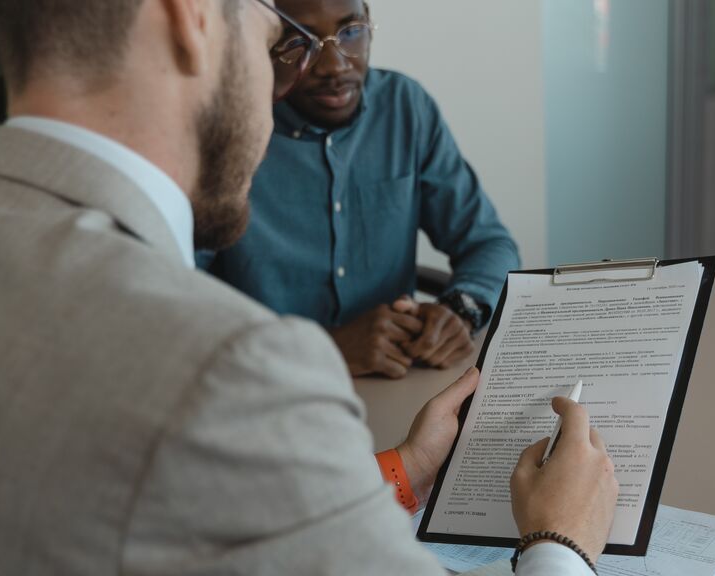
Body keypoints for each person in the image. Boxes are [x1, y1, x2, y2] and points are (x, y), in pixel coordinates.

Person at [0, 0, 617, 574]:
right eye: (278, 37)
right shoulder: (228, 373)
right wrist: (560, 542)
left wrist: (402, 472)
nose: (297, 73)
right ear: (191, 19)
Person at [199, 0, 521, 380]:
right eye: (300, 40)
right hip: (268, 385)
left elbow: (489, 243)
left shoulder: (405, 107)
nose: (335, 66)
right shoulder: (225, 130)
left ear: (369, 23)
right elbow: (177, 301)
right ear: (264, 40)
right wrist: (325, 348)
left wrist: (461, 308)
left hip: (398, 379)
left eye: (351, 32)